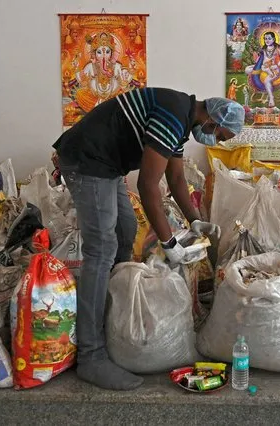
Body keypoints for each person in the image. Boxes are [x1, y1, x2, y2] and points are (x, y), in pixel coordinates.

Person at [52, 87, 244, 391]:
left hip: (107, 164)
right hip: (88, 160)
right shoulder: (172, 115)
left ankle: (113, 312)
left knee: (126, 229)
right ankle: (91, 354)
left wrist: (196, 221)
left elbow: (177, 179)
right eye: (220, 137)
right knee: (101, 249)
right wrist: (170, 244)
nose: (215, 141)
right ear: (213, 121)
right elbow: (147, 185)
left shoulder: (181, 121)